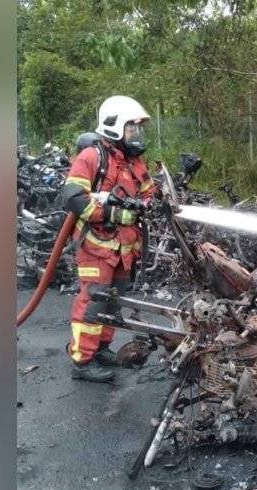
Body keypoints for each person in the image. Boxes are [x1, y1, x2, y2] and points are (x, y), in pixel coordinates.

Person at [59, 96, 157, 382]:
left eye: (138, 128)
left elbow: (149, 191)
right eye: (132, 128)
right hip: (97, 248)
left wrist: (154, 201)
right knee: (94, 302)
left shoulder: (134, 162)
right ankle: (82, 362)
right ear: (114, 126)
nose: (136, 134)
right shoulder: (92, 157)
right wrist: (113, 213)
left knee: (113, 302)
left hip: (125, 249)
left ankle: (101, 349)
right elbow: (74, 198)